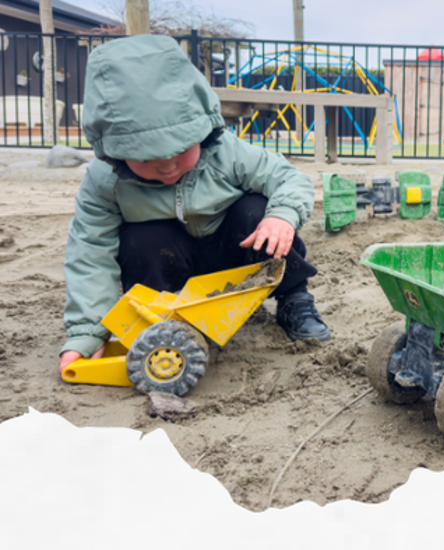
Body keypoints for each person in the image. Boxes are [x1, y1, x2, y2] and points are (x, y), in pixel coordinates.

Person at [58, 35, 330, 376]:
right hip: (169, 271)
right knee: (140, 238)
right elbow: (89, 253)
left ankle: (294, 299)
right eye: (149, 157)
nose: (168, 166)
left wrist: (282, 217)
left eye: (181, 149)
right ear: (114, 149)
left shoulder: (224, 151)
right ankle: (167, 320)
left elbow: (288, 179)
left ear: (202, 130)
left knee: (257, 211)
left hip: (234, 254)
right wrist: (87, 333)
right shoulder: (106, 182)